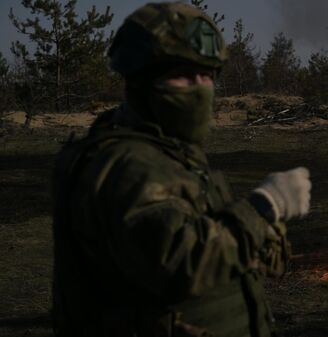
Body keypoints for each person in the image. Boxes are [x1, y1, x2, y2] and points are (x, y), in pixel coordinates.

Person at [51, 3, 311, 337]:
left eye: (207, 75)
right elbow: (178, 262)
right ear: (141, 81)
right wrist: (263, 208)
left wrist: (260, 239)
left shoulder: (168, 153)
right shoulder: (126, 164)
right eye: (182, 76)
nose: (200, 87)